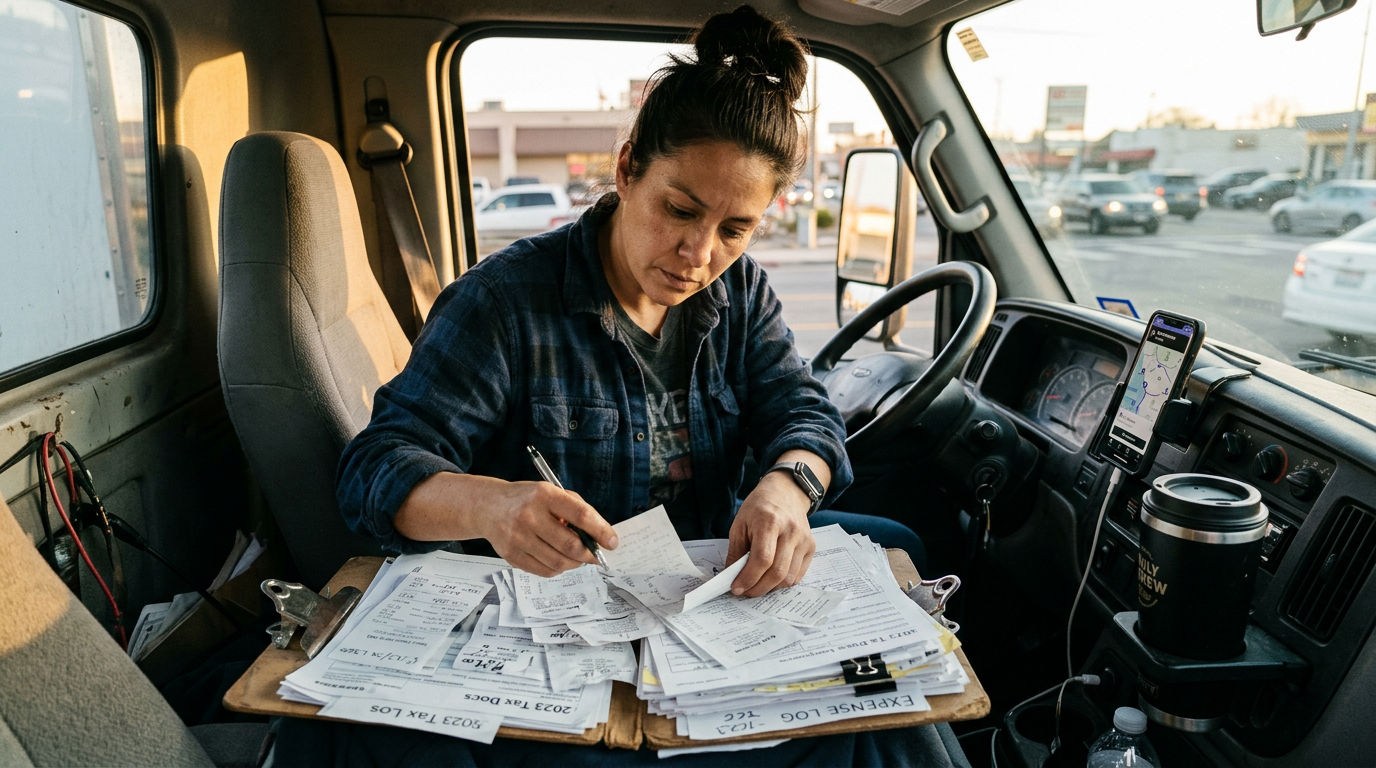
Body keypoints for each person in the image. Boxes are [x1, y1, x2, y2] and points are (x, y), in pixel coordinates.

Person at [279, 6, 957, 766]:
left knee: (899, 605)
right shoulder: (504, 303)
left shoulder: (743, 297)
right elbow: (374, 469)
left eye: (735, 229)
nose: (698, 254)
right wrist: (494, 504)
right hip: (562, 620)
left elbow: (802, 409)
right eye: (679, 210)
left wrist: (786, 489)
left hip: (704, 599)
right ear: (628, 168)